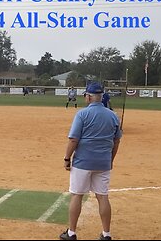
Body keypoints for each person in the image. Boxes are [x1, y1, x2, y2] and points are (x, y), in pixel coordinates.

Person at [60, 82, 122, 241]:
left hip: (83, 162)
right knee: (103, 197)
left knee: (77, 195)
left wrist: (67, 158)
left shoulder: (82, 114)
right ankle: (106, 234)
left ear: (88, 96)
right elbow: (116, 141)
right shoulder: (113, 115)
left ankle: (71, 233)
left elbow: (73, 140)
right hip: (103, 163)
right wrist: (110, 160)